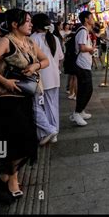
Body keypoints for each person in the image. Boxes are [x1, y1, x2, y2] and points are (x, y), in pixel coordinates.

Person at [0, 8, 49, 199]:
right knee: (15, 142)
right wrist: (5, 81)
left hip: (25, 99)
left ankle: (5, 175)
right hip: (6, 100)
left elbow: (45, 61)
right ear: (14, 24)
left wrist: (35, 65)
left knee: (26, 140)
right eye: (27, 21)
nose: (31, 24)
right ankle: (12, 180)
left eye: (30, 21)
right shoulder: (5, 41)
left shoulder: (29, 42)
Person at [31, 13, 64, 145]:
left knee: (38, 106)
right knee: (53, 106)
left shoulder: (33, 39)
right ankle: (54, 132)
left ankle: (47, 131)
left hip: (41, 78)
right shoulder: (54, 38)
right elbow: (60, 58)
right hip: (54, 76)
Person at [71, 11, 95, 126]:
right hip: (81, 64)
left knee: (85, 89)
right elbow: (82, 47)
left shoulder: (84, 31)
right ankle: (76, 113)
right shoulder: (83, 31)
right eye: (91, 17)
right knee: (86, 89)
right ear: (86, 19)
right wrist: (91, 49)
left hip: (85, 64)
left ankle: (80, 111)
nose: (93, 19)